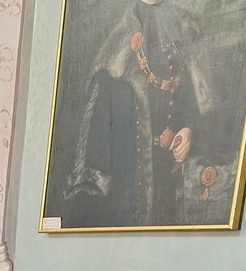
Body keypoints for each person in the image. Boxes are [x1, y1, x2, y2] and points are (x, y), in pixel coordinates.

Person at [63, 0, 215, 228]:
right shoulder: (116, 46)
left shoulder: (185, 25)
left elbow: (194, 99)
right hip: (130, 191)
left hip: (172, 181)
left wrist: (189, 128)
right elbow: (100, 144)